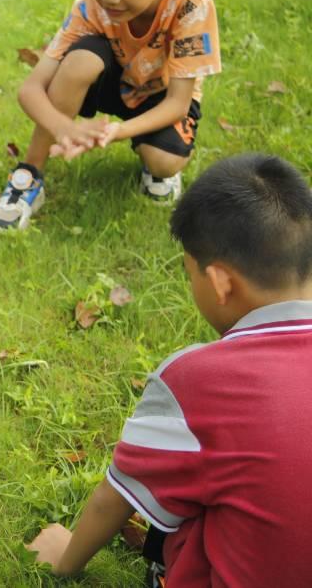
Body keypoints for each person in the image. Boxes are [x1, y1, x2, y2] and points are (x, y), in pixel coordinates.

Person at [27, 153, 312, 586]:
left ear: (219, 283)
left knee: (177, 520)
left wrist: (65, 559)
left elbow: (115, 497)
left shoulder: (197, 380)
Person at [0, 0, 221, 231]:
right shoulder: (88, 8)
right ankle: (28, 177)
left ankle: (153, 166)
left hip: (161, 94)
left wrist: (116, 132)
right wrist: (62, 127)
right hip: (113, 83)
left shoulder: (191, 5)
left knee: (164, 162)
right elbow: (30, 89)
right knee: (79, 61)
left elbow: (178, 104)